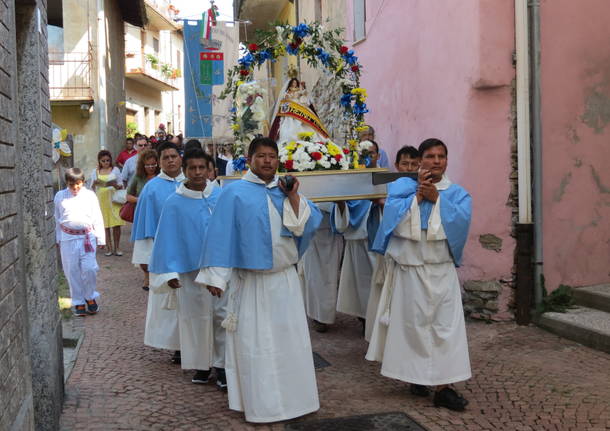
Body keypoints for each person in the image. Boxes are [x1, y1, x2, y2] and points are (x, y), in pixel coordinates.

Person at [196, 137, 322, 423]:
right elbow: (220, 235)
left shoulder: (285, 189)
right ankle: (261, 403)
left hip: (285, 281)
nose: (267, 161)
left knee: (290, 343)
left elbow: (307, 224)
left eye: (272, 156)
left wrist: (292, 197)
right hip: (252, 283)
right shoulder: (234, 193)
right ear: (249, 158)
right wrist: (217, 276)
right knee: (257, 345)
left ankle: (296, 401)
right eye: (262, 156)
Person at [366, 138, 472, 411]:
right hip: (411, 269)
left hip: (440, 270)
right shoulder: (403, 188)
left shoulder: (457, 193)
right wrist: (418, 198)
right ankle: (417, 378)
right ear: (421, 159)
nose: (436, 161)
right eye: (430, 156)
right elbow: (391, 221)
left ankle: (444, 387)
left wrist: (438, 201)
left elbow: (461, 225)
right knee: (412, 328)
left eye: (441, 156)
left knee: (444, 330)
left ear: (447, 160)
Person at [148, 148, 223, 385]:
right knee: (195, 318)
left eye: (202, 167)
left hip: (219, 270)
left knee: (221, 317)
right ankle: (200, 365)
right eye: (193, 168)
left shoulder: (220, 196)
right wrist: (169, 273)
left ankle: (221, 366)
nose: (198, 172)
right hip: (189, 272)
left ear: (210, 169)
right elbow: (166, 238)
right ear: (185, 170)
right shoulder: (175, 203)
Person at [131, 142, 185, 363]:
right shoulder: (151, 188)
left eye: (174, 156)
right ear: (160, 162)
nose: (171, 160)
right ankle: (176, 346)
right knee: (170, 304)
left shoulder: (193, 183)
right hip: (164, 252)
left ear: (180, 158)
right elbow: (145, 225)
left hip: (192, 254)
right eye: (166, 157)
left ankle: (194, 343)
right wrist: (147, 260)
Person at [331, 140, 382, 331]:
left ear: (378, 154)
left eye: (371, 153)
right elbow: (345, 206)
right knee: (361, 286)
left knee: (379, 283)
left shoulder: (384, 178)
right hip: (357, 240)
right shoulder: (351, 180)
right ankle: (364, 319)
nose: (368, 157)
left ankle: (378, 321)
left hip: (377, 240)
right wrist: (342, 204)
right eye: (363, 154)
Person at [54, 168, 105, 316]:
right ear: (67, 183)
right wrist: (58, 237)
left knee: (89, 269)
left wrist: (101, 238)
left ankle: (90, 296)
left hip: (87, 238)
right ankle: (78, 301)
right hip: (67, 238)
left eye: (78, 184)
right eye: (71, 184)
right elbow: (57, 218)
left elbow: (97, 216)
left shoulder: (89, 195)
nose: (75, 188)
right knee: (72, 270)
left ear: (83, 182)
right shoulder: (60, 196)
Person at [299, 202, 343, 333]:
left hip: (331, 229)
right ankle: (316, 315)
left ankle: (324, 315)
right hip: (311, 233)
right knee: (313, 277)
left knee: (329, 278)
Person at [126, 149, 160, 290]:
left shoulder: (161, 177)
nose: (151, 167)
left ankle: (156, 274)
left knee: (157, 247)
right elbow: (128, 196)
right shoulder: (138, 177)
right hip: (142, 216)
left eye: (153, 165)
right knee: (143, 248)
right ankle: (146, 276)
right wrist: (141, 199)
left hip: (158, 216)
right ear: (143, 165)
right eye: (148, 165)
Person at [269, 77, 330, 146]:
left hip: (300, 107)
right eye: (293, 83)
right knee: (290, 123)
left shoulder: (299, 90)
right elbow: (286, 98)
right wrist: (288, 97)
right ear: (290, 84)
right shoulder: (288, 91)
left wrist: (303, 93)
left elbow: (304, 97)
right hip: (292, 108)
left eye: (295, 83)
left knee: (307, 122)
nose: (294, 84)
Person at [88, 150, 125, 256]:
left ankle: (117, 247)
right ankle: (109, 248)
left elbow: (121, 184)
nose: (106, 163)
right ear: (99, 161)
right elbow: (91, 188)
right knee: (105, 225)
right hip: (101, 200)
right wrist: (95, 184)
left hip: (114, 199)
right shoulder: (95, 172)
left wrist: (115, 185)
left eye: (108, 160)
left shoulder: (115, 170)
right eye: (103, 161)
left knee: (116, 224)